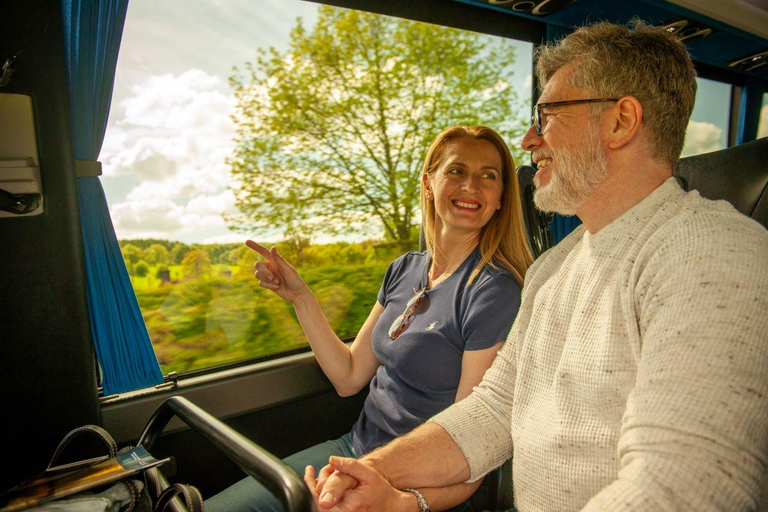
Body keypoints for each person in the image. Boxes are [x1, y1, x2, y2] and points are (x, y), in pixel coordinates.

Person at [306, 21, 768, 512]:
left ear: (620, 122)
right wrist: (370, 471)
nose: (528, 140)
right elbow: (492, 409)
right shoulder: (552, 270)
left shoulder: (711, 249)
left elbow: (685, 488)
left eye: (545, 117)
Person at [205, 125, 534, 512]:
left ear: (499, 199)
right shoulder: (404, 270)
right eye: (457, 171)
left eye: (488, 176)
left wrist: (398, 500)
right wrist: (301, 298)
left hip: (422, 484)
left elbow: (472, 444)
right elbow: (349, 377)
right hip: (353, 451)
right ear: (429, 183)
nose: (471, 186)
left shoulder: (493, 291)